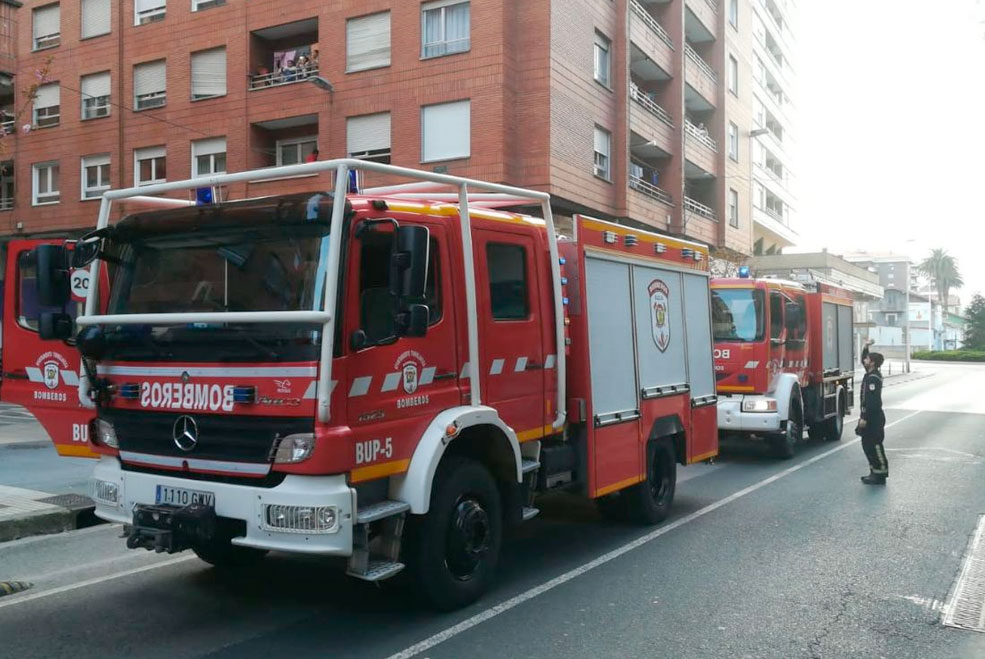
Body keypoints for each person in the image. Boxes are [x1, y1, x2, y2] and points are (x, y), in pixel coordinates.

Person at [857, 339, 888, 484]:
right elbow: (864, 357)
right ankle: (873, 471)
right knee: (867, 445)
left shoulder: (874, 378)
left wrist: (864, 418)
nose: (865, 360)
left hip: (873, 418)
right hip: (869, 416)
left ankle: (881, 473)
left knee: (875, 445)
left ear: (873, 363)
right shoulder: (870, 374)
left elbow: (873, 402)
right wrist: (866, 347)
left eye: (868, 359)